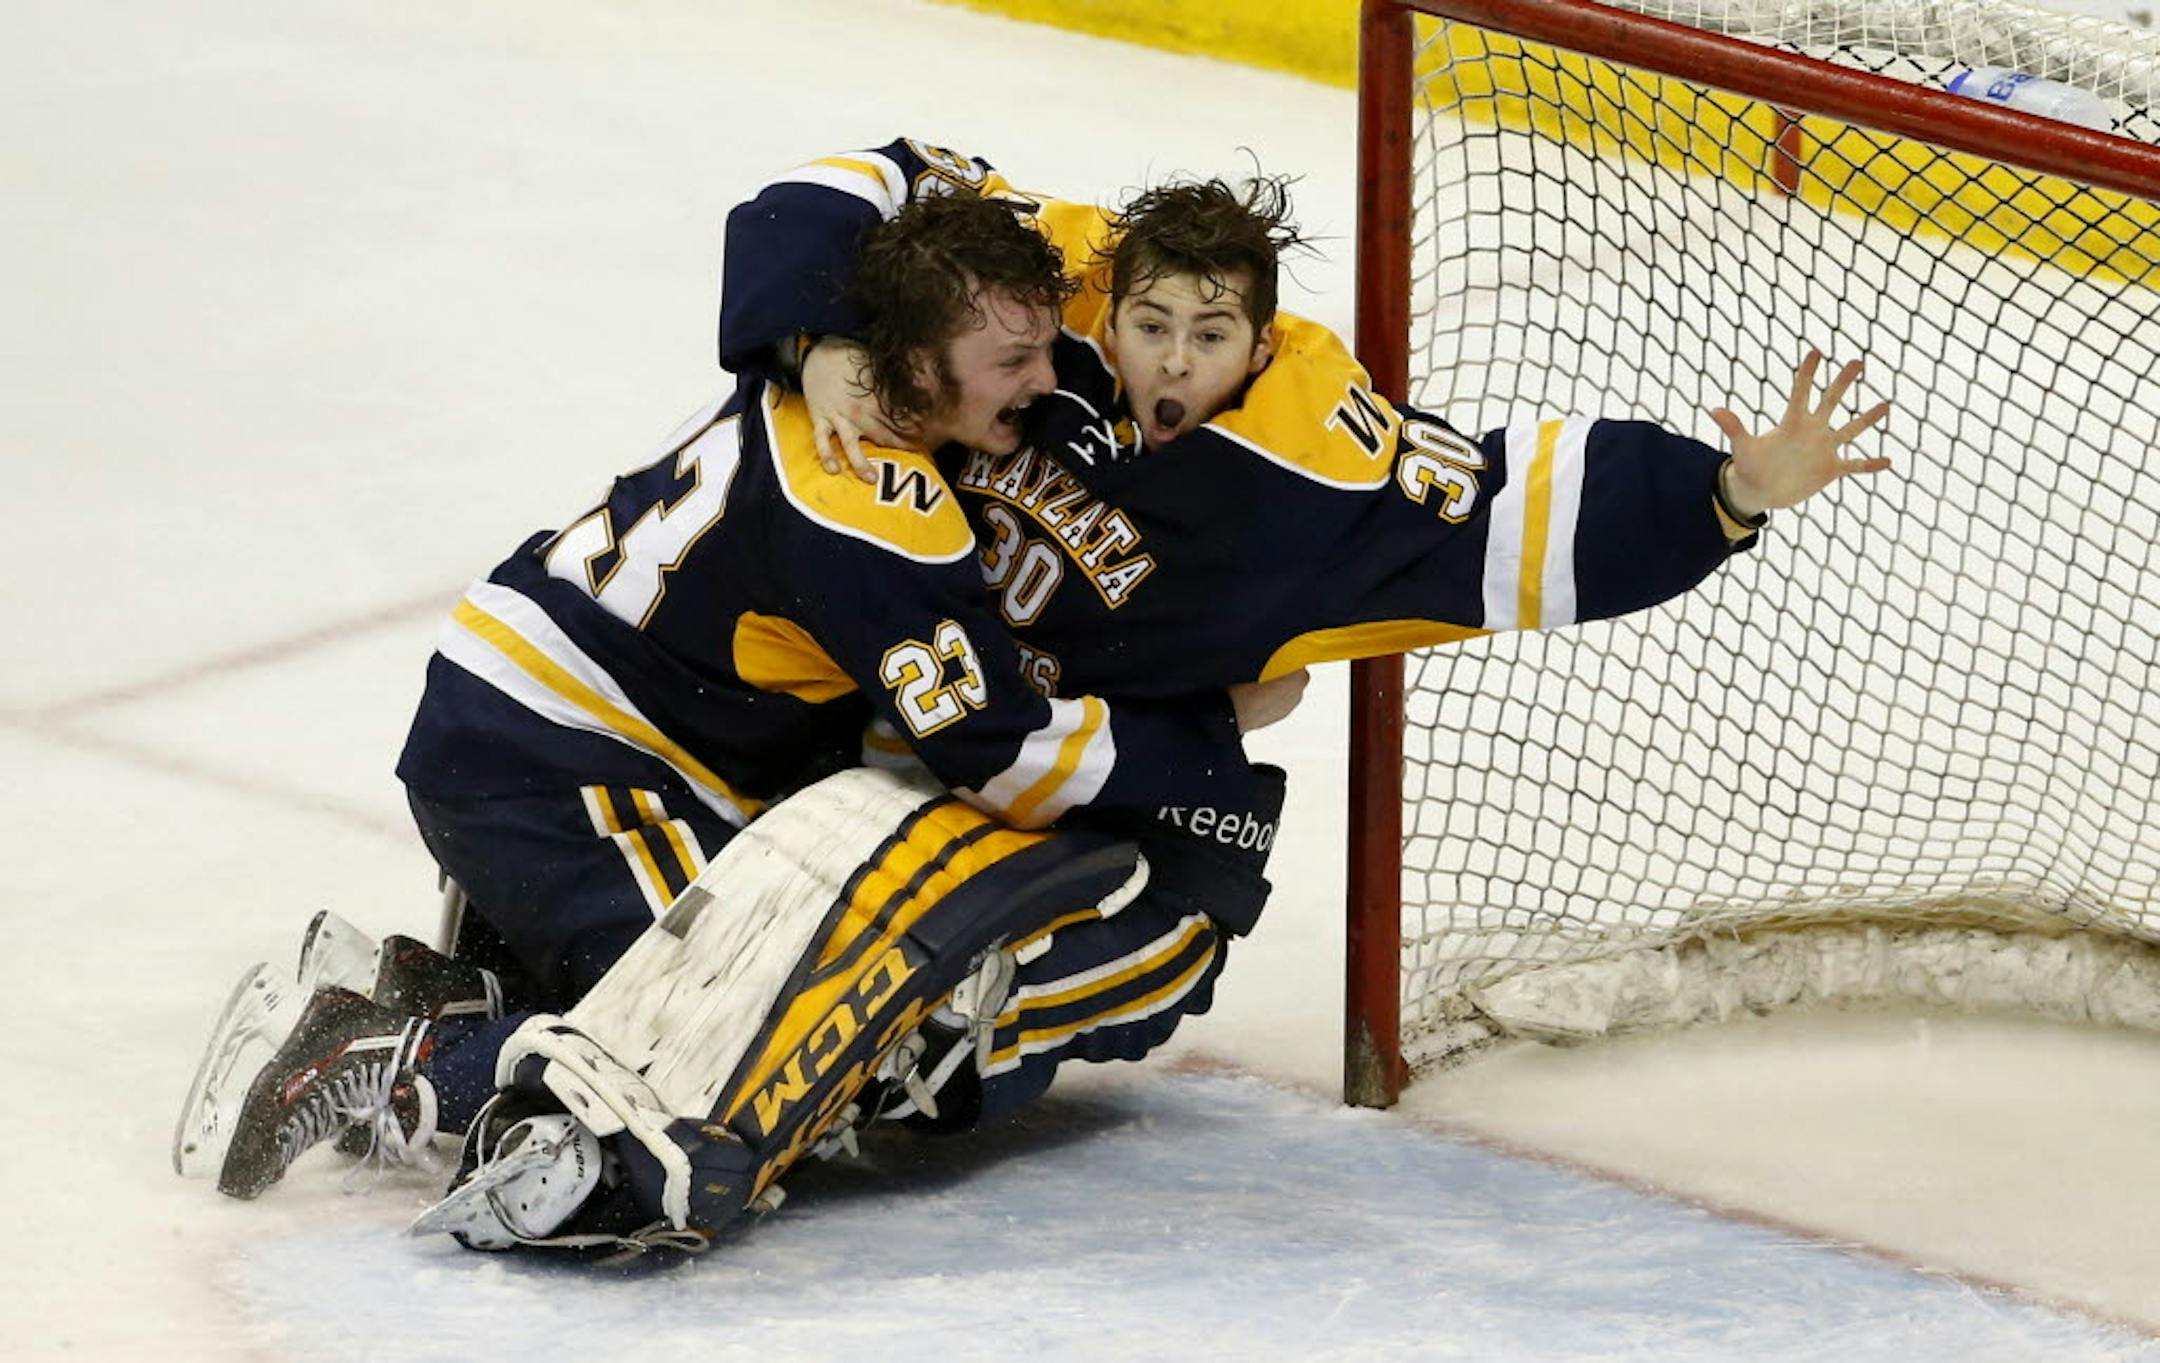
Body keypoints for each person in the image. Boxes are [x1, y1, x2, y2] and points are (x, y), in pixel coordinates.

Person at [172, 189, 1304, 1206]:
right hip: (561, 766)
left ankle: (456, 988)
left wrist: (804, 336)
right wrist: (1212, 736)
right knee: (714, 1047)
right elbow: (995, 750)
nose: (1047, 380)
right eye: (1011, 362)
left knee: (758, 984)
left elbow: (847, 187)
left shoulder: (817, 376)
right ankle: (385, 1062)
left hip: (538, 724)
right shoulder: (874, 503)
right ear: (912, 366)